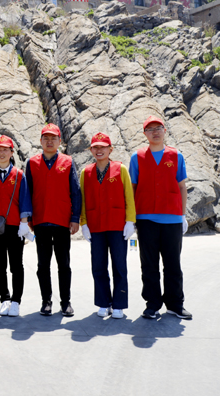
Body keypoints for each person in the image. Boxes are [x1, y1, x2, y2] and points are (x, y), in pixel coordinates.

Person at [130, 116, 192, 320]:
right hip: (146, 218)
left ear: (165, 131)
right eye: (150, 129)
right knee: (149, 264)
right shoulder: (137, 157)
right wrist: (131, 217)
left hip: (172, 219)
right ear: (145, 134)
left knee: (173, 264)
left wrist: (183, 215)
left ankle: (175, 304)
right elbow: (133, 188)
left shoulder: (176, 156)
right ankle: (152, 304)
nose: (155, 132)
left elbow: (182, 186)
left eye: (158, 128)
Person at [25, 123, 81, 317]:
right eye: (46, 138)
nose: (49, 142)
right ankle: (46, 301)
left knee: (64, 264)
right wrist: (29, 218)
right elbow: (28, 192)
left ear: (59, 141)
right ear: (40, 141)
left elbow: (75, 191)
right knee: (43, 265)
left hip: (62, 220)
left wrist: (75, 218)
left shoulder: (68, 161)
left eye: (53, 138)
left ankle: (65, 302)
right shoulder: (32, 163)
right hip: (41, 221)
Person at [79, 132, 136, 319]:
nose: (99, 150)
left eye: (103, 147)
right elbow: (83, 200)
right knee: (98, 266)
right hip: (95, 226)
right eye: (95, 147)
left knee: (119, 266)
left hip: (117, 225)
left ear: (110, 149)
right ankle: (104, 303)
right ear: (91, 150)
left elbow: (129, 196)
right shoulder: (86, 173)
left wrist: (130, 221)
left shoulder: (121, 169)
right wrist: (84, 223)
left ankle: (119, 304)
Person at [0, 135, 32, 317]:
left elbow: (25, 199)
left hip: (15, 226)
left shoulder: (19, 175)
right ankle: (4, 299)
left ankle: (16, 301)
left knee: (16, 265)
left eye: (5, 150)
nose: (2, 153)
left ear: (12, 152)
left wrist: (24, 224)